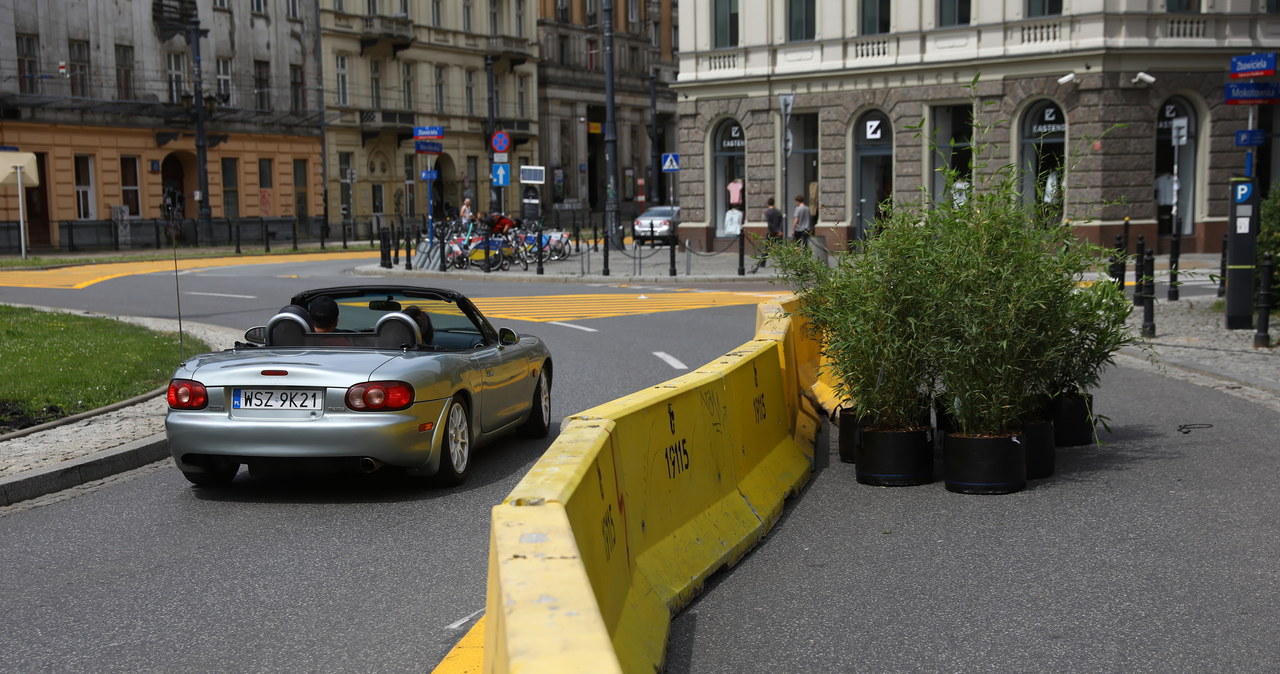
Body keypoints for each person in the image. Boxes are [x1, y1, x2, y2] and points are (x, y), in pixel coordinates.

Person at [751, 197, 785, 273]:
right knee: (780, 248)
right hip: (779, 232)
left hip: (771, 232)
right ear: (774, 203)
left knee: (766, 249)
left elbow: (770, 223)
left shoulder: (767, 212)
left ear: (768, 204)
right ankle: (783, 263)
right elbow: (781, 222)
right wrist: (780, 231)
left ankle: (763, 263)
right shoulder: (778, 211)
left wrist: (772, 231)